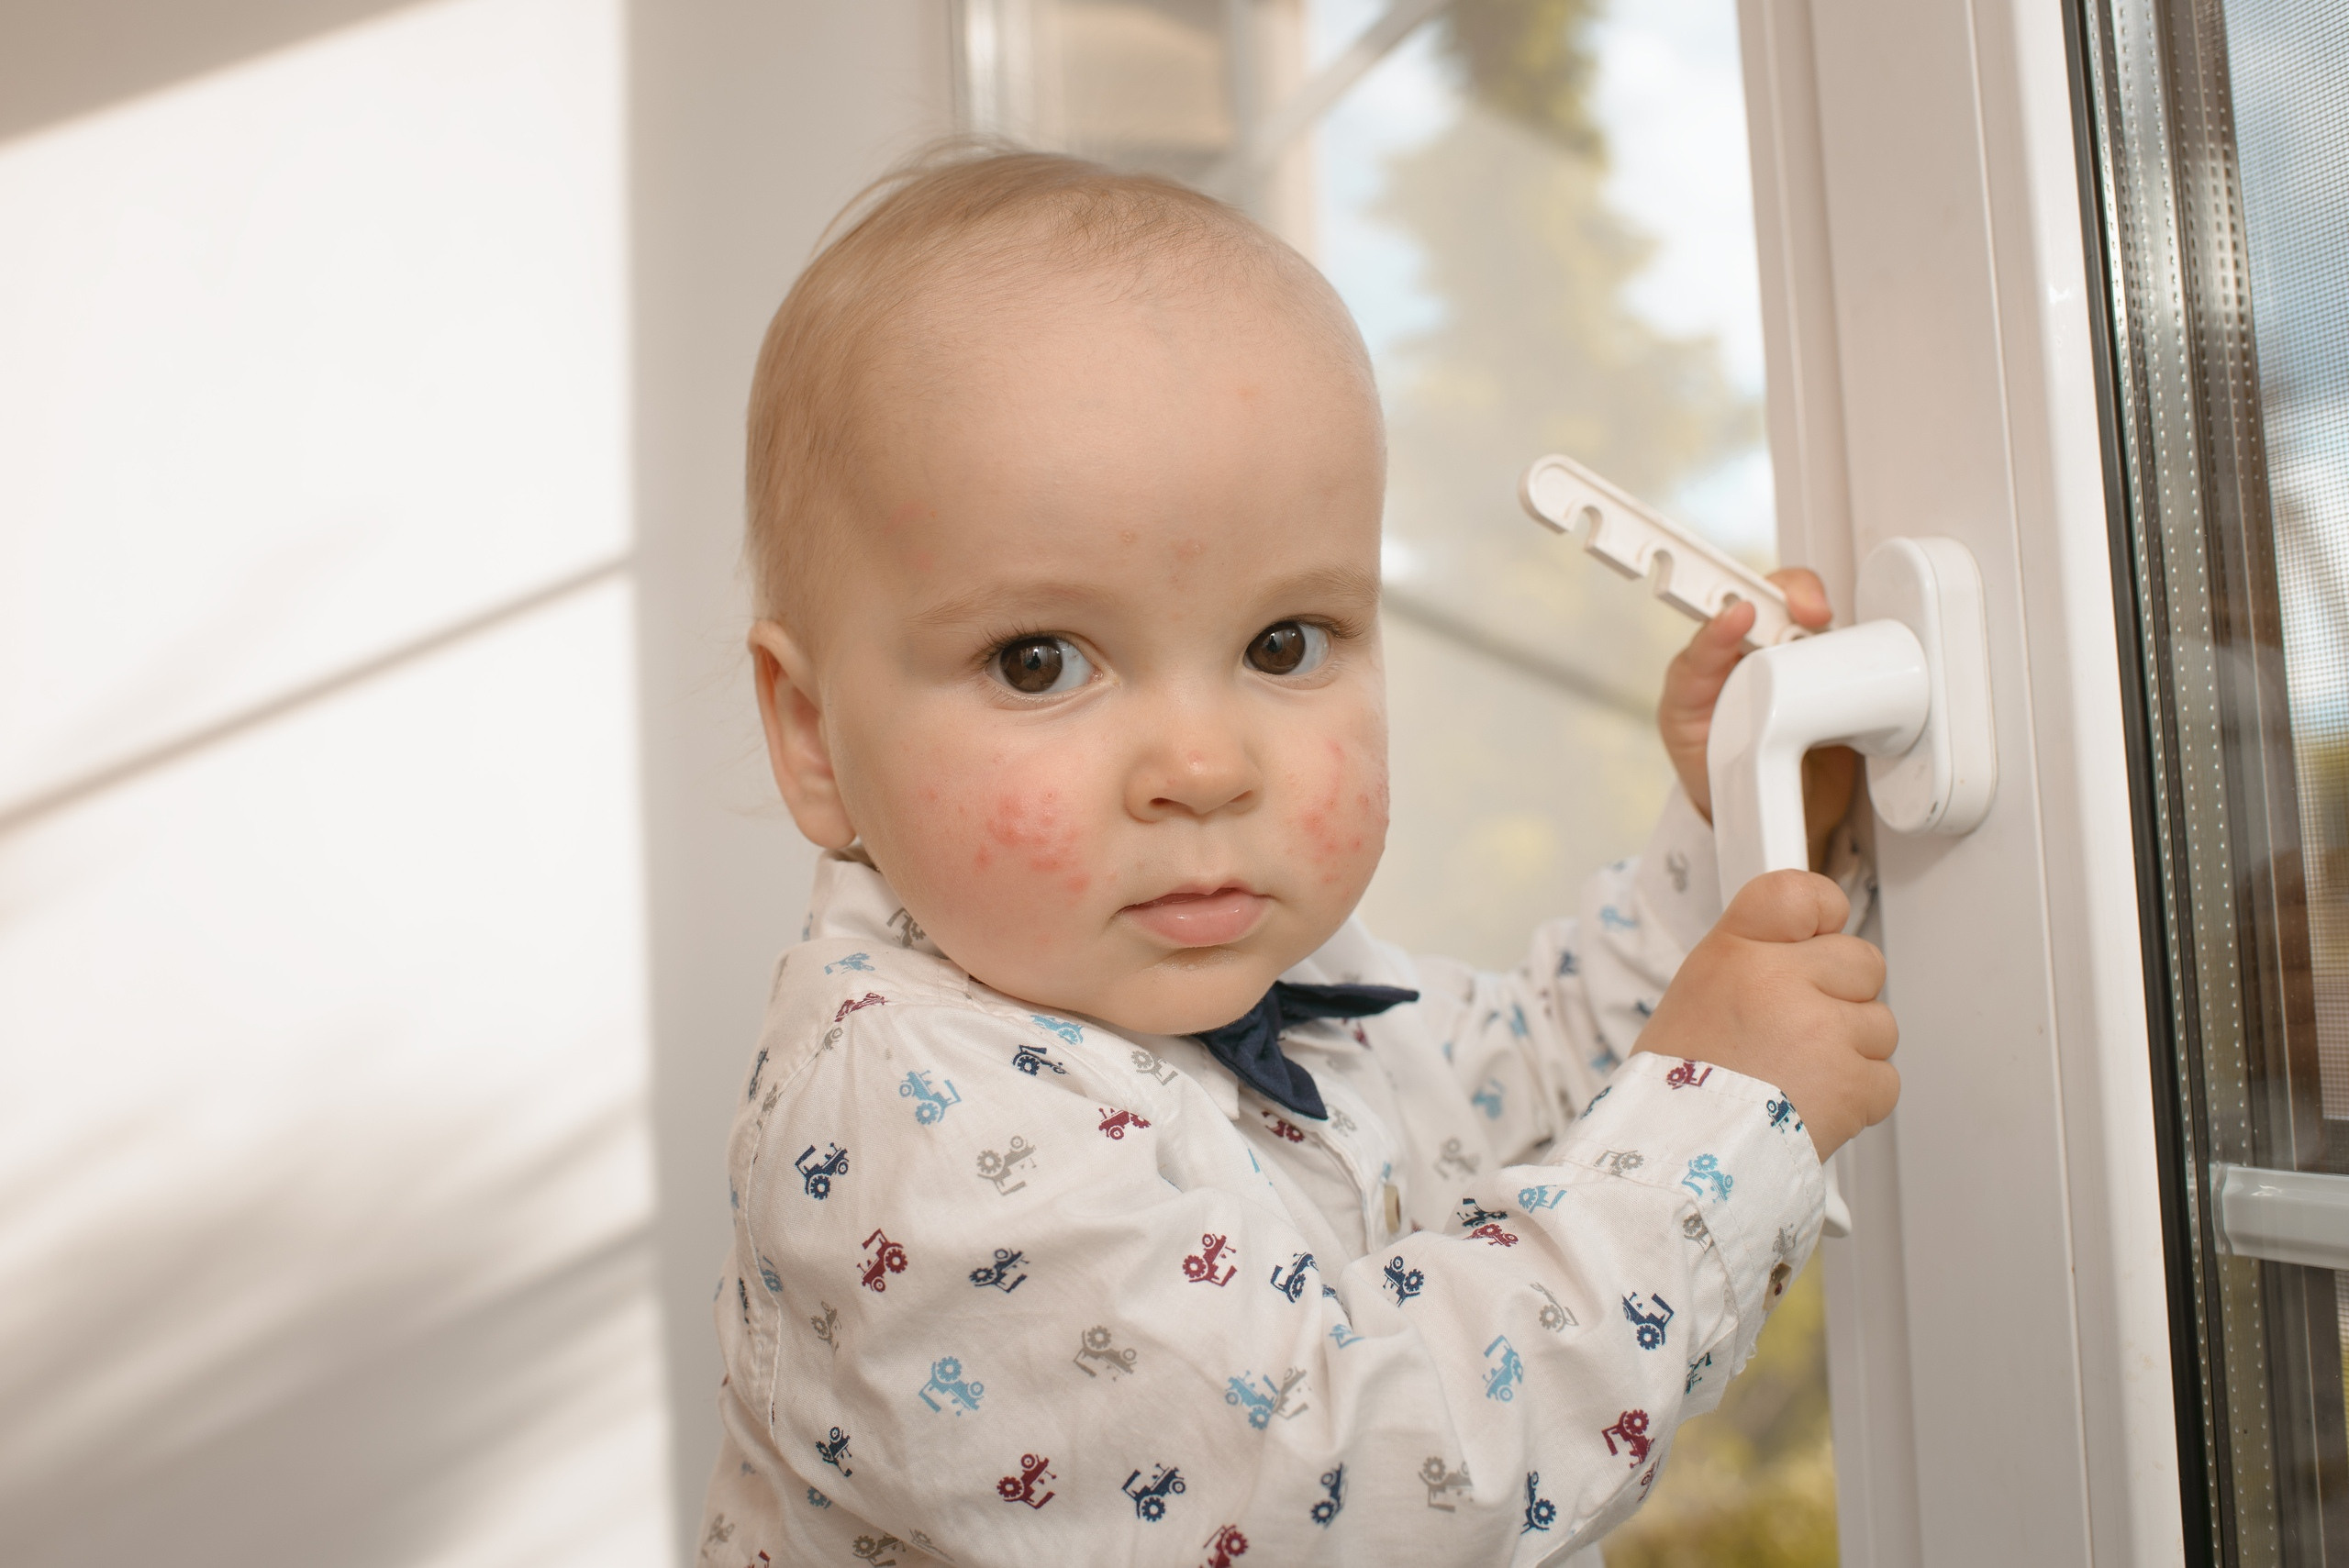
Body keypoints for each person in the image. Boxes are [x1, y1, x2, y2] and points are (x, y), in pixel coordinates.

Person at [695, 147, 1894, 1568]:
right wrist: (1715, 1124)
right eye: (1039, 660)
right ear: (816, 735)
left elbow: (1542, 1081)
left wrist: (1737, 826)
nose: (1204, 766)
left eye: (1283, 644)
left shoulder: (1250, 974)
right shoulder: (912, 1124)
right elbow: (1363, 1486)